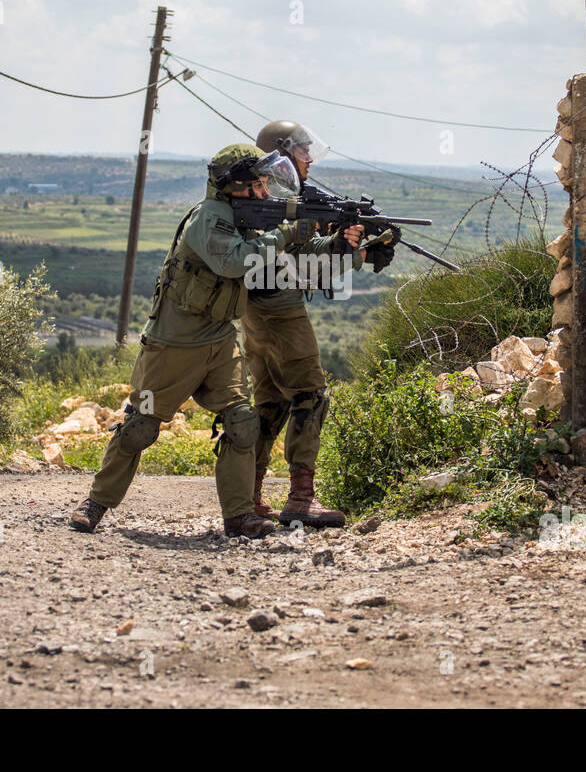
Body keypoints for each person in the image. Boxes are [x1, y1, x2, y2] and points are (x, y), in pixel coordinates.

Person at [68, 144, 318, 539]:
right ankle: (95, 503)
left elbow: (291, 250)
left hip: (219, 341)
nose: (266, 191)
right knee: (140, 426)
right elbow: (233, 262)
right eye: (258, 183)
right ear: (235, 186)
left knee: (242, 422)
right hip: (173, 346)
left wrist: (346, 242)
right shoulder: (209, 218)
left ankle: (238, 516)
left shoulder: (244, 218)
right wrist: (285, 235)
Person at [244, 120, 396, 528]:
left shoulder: (263, 197)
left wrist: (350, 248)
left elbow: (305, 256)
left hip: (259, 312)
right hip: (279, 310)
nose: (310, 159)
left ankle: (251, 495)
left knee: (271, 402)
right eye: (303, 151)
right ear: (282, 155)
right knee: (310, 393)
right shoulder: (274, 201)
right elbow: (295, 264)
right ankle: (300, 498)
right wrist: (351, 252)